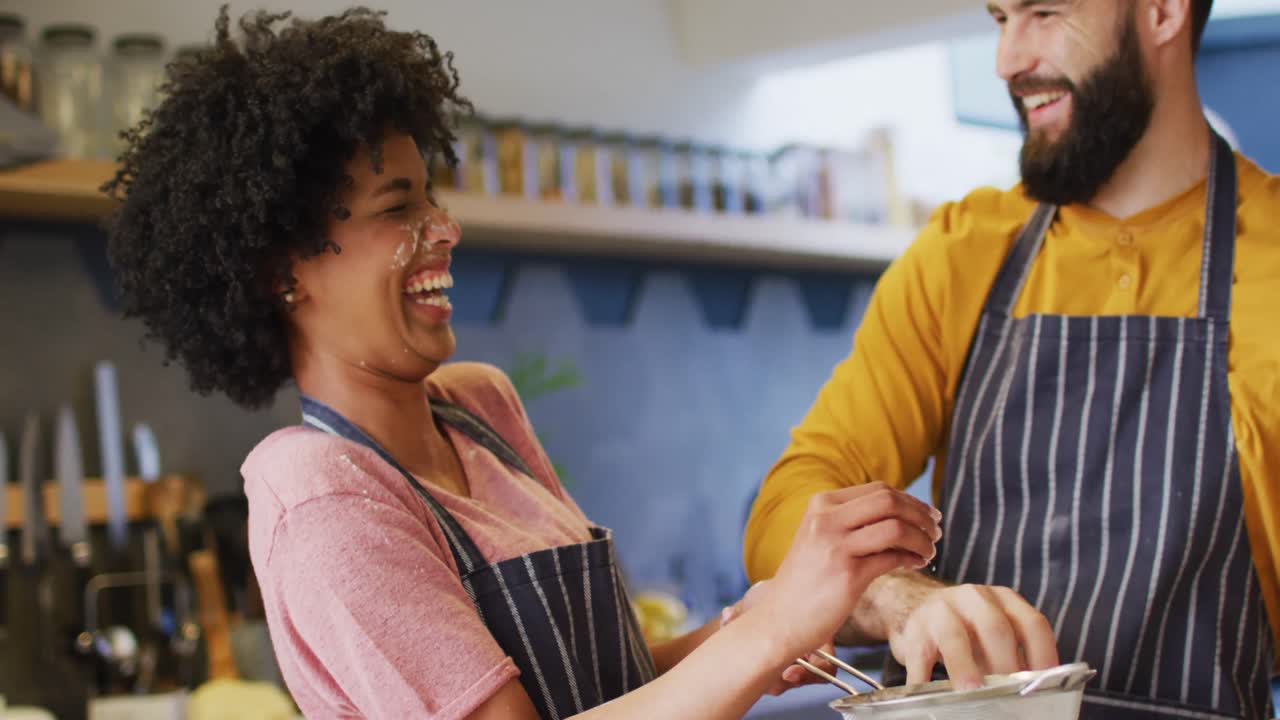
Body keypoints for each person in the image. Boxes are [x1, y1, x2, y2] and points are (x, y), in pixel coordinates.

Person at [102, 7, 943, 719]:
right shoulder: (321, 493)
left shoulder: (481, 408)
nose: (445, 228)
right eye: (399, 207)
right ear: (282, 269)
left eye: (432, 196)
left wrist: (754, 627)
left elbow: (608, 686)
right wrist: (773, 630)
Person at [745, 0, 1280, 717]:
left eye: (1046, 12)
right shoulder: (961, 252)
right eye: (1001, 19)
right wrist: (898, 598)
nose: (1008, 61)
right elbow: (789, 511)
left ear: (1161, 12)